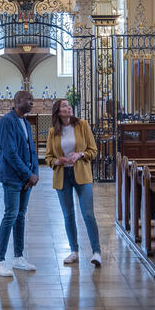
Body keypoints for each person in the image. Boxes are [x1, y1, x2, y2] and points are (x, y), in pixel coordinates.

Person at [45, 97, 102, 267]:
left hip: (82, 174)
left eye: (69, 105)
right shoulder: (52, 132)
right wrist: (58, 161)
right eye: (64, 106)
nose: (68, 108)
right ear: (58, 111)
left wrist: (80, 155)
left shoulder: (82, 125)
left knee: (88, 214)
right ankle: (74, 251)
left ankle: (96, 252)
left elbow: (93, 150)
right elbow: (48, 157)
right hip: (63, 175)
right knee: (68, 215)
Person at [0, 89, 39, 277]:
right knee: (10, 215)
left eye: (32, 100)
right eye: (29, 100)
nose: (32, 103)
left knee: (20, 215)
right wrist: (28, 174)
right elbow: (10, 153)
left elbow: (32, 149)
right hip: (12, 176)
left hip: (25, 177)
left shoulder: (25, 122)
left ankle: (18, 257)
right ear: (18, 101)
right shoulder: (6, 121)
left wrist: (35, 172)